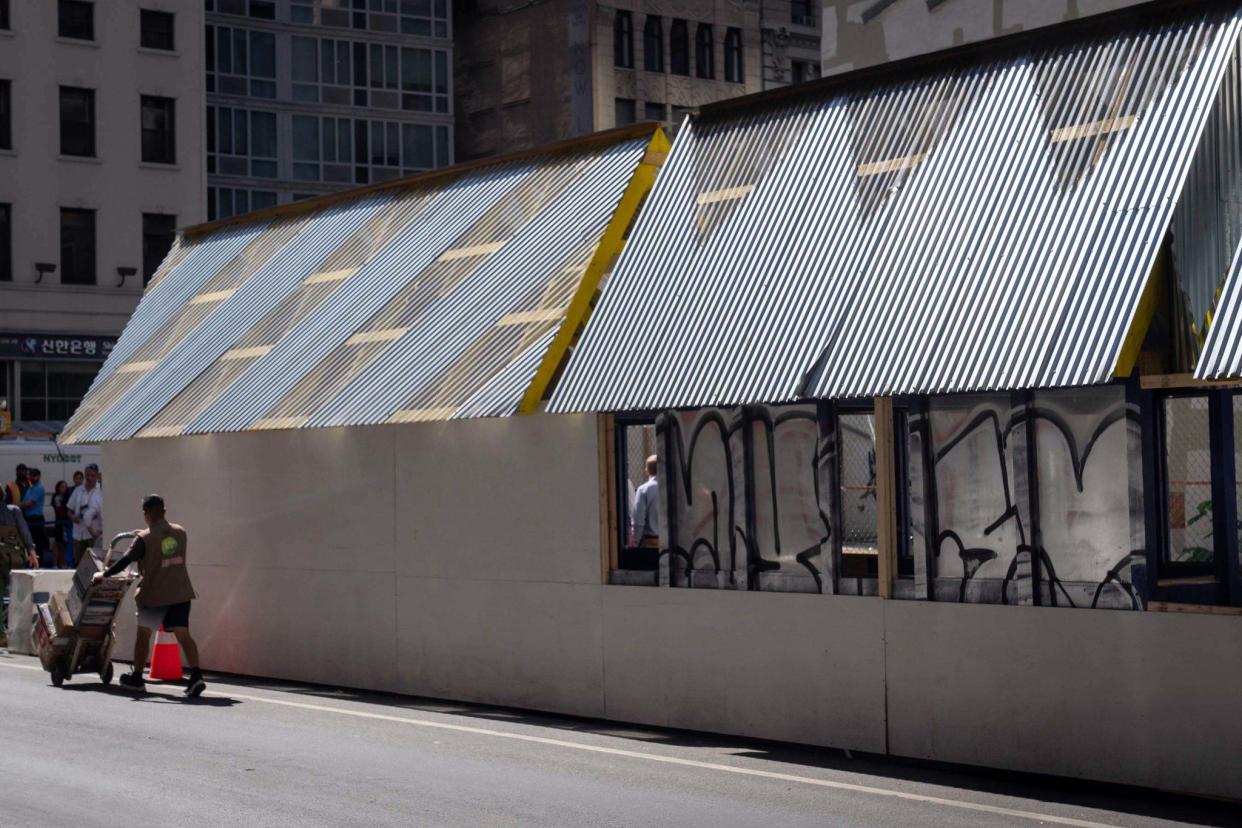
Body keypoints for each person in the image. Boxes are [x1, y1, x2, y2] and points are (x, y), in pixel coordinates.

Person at [97, 494, 205, 696]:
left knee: (144, 634)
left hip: (155, 595)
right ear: (164, 511)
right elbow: (162, 541)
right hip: (181, 592)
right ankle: (197, 676)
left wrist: (104, 574)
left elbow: (127, 559)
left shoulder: (144, 539)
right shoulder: (180, 532)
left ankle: (137, 678)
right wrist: (145, 535)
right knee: (183, 634)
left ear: (145, 514)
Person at [0, 499, 39, 648]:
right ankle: (19, 631)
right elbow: (24, 532)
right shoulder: (14, 510)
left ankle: (2, 634)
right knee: (19, 595)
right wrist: (32, 553)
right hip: (14, 558)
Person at [67, 463, 103, 562]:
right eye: (87, 475)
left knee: (95, 562)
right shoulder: (78, 490)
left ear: (97, 476)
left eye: (92, 475)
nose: (89, 478)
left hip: (94, 533)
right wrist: (73, 517)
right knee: (79, 561)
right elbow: (69, 510)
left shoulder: (101, 490)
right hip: (79, 534)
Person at [630, 455, 661, 549]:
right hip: (671, 543)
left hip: (650, 542)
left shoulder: (644, 490)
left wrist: (635, 543)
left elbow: (638, 521)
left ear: (647, 471)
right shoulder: (673, 487)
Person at [21, 468, 49, 568]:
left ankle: (38, 565)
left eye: (31, 475)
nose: (29, 477)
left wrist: (19, 505)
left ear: (37, 476)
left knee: (37, 543)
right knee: (29, 542)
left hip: (36, 519)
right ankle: (31, 563)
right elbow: (24, 502)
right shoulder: (31, 488)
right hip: (29, 519)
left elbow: (29, 503)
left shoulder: (39, 488)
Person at [51, 481, 72, 568]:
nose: (64, 488)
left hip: (66, 523)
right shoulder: (56, 498)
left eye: (65, 487)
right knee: (58, 543)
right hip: (59, 523)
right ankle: (56, 563)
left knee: (64, 544)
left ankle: (63, 563)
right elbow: (59, 510)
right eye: (62, 487)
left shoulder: (68, 497)